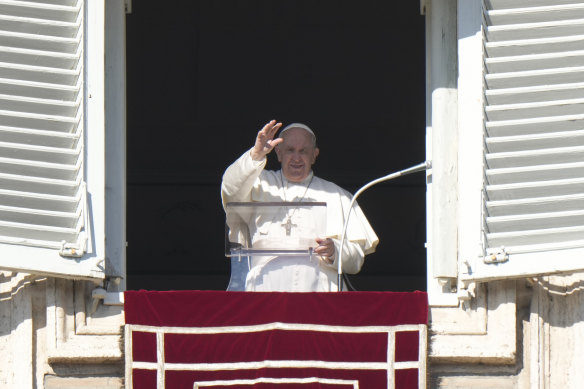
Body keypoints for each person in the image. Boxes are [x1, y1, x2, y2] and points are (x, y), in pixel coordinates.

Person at [221, 120, 378, 292]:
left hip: (319, 292)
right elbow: (230, 188)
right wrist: (256, 154)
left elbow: (356, 260)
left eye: (303, 151)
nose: (297, 158)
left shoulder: (338, 195)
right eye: (290, 150)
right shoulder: (258, 184)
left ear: (314, 155)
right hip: (265, 287)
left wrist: (335, 250)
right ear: (278, 153)